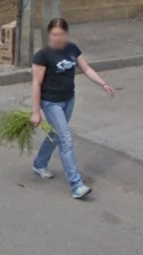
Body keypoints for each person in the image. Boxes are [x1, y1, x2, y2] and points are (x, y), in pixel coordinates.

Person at [30, 18, 115, 200]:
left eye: (61, 34)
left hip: (69, 99)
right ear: (49, 35)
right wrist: (36, 112)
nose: (58, 38)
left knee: (56, 134)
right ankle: (76, 185)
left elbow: (86, 69)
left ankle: (39, 163)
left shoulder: (72, 49)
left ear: (66, 34)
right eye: (54, 34)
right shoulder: (42, 56)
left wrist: (103, 84)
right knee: (66, 140)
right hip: (51, 103)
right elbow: (36, 84)